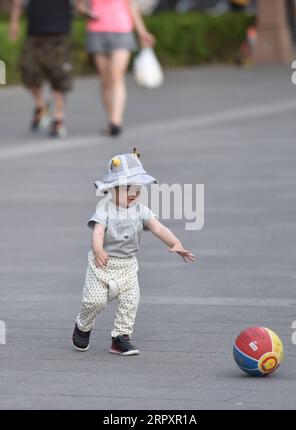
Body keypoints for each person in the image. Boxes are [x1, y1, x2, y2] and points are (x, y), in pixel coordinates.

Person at [72, 150, 195, 355]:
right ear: (112, 189)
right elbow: (98, 231)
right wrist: (98, 249)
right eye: (128, 188)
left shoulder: (141, 210)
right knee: (94, 301)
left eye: (137, 190)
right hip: (102, 263)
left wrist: (176, 243)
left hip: (128, 265)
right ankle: (83, 325)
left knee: (130, 301)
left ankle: (120, 337)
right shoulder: (104, 209)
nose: (134, 194)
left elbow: (158, 228)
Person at [75, 0, 156, 137]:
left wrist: (142, 32)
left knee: (116, 76)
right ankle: (110, 118)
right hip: (97, 31)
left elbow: (132, 7)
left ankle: (116, 121)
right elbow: (80, 6)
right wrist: (87, 12)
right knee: (106, 79)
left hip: (122, 31)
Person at [9, 0, 78, 138]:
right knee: (28, 72)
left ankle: (58, 119)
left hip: (60, 32)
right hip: (34, 33)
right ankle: (41, 106)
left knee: (59, 77)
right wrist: (14, 22)